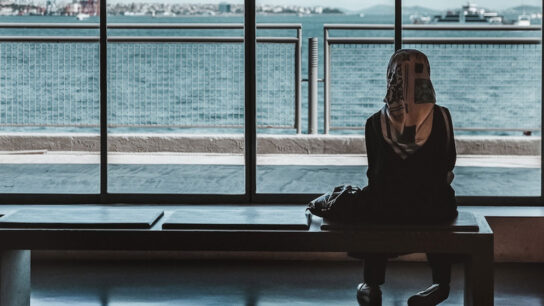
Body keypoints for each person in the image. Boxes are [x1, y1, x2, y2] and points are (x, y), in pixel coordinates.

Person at [354, 49, 458, 306]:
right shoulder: (443, 117)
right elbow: (449, 164)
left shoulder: (373, 123)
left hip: (387, 210)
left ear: (391, 77)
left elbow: (373, 173)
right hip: (433, 209)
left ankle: (372, 283)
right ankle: (440, 284)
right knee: (441, 198)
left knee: (374, 204)